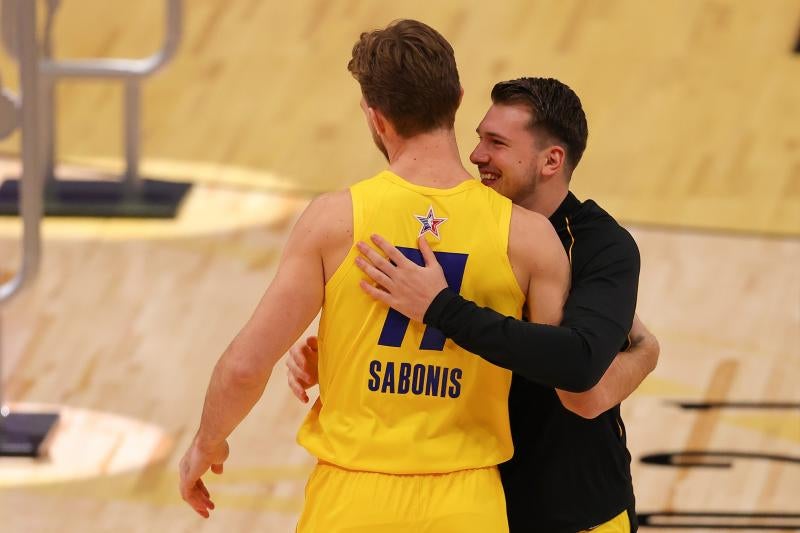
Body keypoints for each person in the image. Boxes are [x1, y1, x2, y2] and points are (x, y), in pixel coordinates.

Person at [179, 21, 572, 532]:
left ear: (375, 116)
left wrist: (207, 442)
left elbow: (244, 367)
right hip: (468, 499)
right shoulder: (528, 237)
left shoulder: (334, 221)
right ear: (455, 98)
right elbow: (559, 382)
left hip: (351, 499)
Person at [287, 77, 660, 532]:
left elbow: (580, 380)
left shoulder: (601, 247)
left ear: (552, 161)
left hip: (575, 512)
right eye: (479, 136)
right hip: (470, 504)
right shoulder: (460, 220)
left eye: (497, 143)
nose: (477, 154)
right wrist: (334, 357)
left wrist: (441, 307)